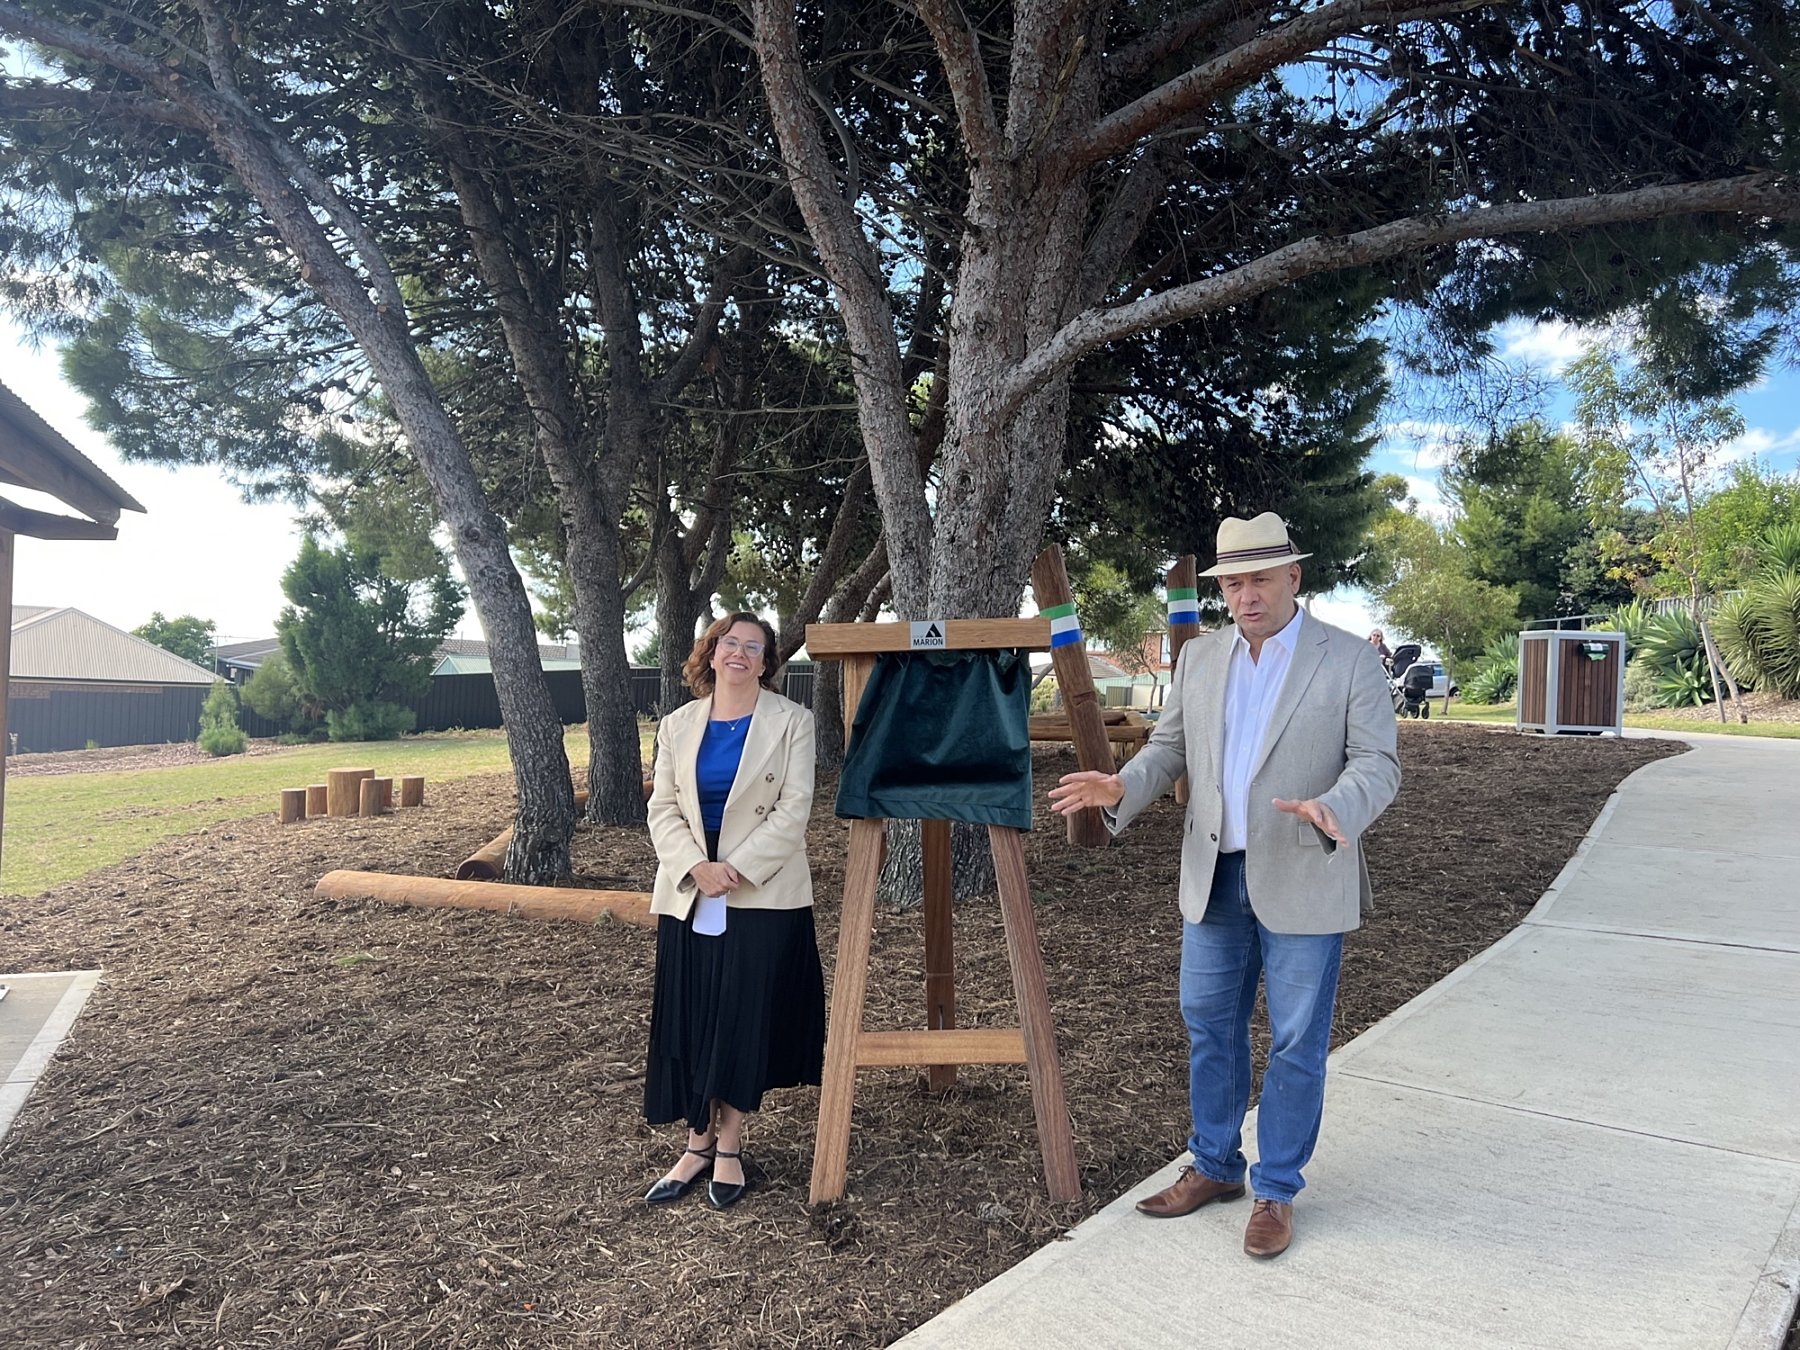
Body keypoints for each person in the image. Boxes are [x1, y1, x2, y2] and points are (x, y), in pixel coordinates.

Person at [1049, 512, 1399, 1259]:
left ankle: (1277, 1188)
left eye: (1260, 580)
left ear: (1293, 578)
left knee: (1296, 1040)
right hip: (1213, 878)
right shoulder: (1201, 658)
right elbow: (1169, 747)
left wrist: (1336, 808)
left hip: (1306, 870)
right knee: (1208, 1023)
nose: (1247, 596)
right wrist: (1124, 785)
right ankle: (1215, 1165)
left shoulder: (1347, 659)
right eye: (1233, 583)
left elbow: (1378, 763)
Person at [642, 612, 824, 1210]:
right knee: (695, 1015)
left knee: (741, 1019)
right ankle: (695, 1143)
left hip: (761, 894)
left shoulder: (793, 721)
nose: (739, 652)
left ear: (767, 662)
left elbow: (794, 809)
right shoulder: (677, 725)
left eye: (753, 646)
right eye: (729, 642)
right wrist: (697, 867)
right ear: (712, 651)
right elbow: (663, 808)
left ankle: (729, 1147)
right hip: (690, 891)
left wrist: (735, 870)